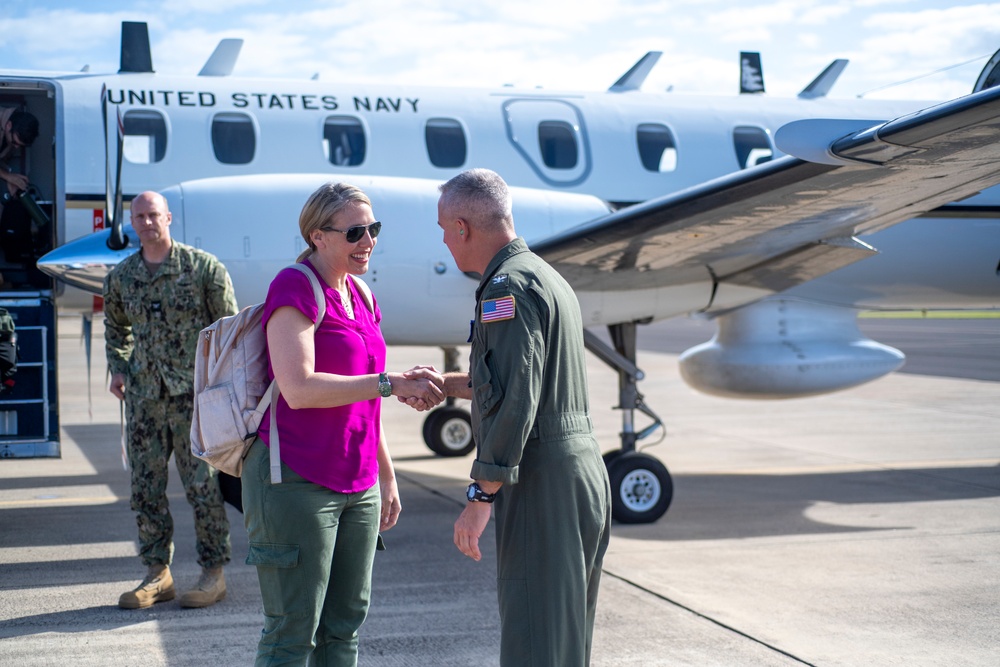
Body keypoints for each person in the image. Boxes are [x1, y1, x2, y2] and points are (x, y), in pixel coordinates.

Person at [243, 181, 444, 666]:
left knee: (344, 628)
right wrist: (389, 382)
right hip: (296, 480)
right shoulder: (295, 287)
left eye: (373, 229)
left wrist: (387, 476)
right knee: (293, 631)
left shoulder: (361, 294)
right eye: (355, 232)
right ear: (318, 236)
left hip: (360, 483)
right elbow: (299, 388)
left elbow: (366, 407)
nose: (368, 241)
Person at [435, 168, 612, 666]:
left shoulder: (504, 291)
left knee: (535, 642)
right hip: (577, 470)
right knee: (562, 641)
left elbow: (516, 397)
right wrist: (448, 385)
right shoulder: (545, 276)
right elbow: (521, 379)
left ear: (464, 227)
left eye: (445, 229)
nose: (445, 242)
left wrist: (481, 492)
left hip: (541, 480)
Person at [104, 190, 236, 610]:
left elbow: (229, 333)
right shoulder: (122, 277)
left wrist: (223, 388)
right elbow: (116, 327)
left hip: (194, 400)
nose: (146, 222)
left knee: (202, 488)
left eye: (153, 214)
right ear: (132, 221)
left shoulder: (203, 269)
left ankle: (213, 572)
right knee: (145, 489)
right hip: (144, 399)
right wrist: (120, 367)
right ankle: (157, 573)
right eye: (139, 216)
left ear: (169, 218)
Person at [0, 109, 39, 200]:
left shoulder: (10, 135)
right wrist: (8, 176)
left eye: (20, 145)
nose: (16, 147)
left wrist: (10, 179)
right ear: (9, 125)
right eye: (14, 143)